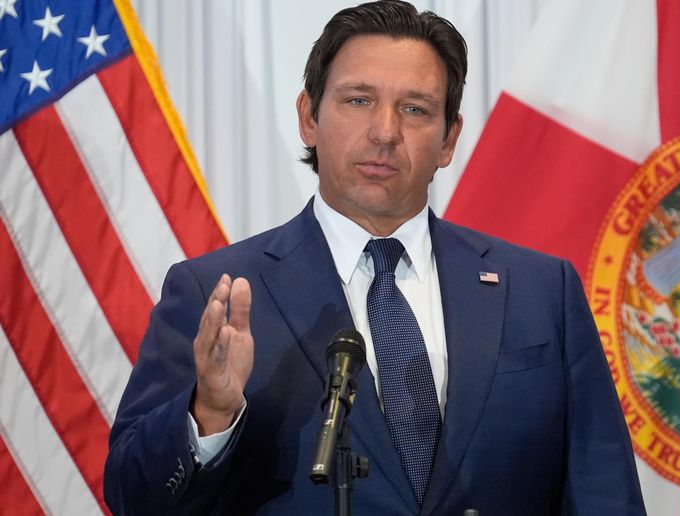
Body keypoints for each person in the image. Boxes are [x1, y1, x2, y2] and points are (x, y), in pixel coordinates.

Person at [104, 1, 645, 514]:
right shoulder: (215, 294)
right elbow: (133, 499)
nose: (386, 132)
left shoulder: (542, 291)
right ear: (309, 117)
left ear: (448, 139)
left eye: (415, 109)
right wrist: (209, 413)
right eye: (358, 100)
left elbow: (605, 495)